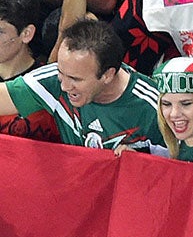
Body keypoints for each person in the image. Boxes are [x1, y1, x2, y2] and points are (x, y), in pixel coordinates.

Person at [0, 15, 162, 149]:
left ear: (107, 75)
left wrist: (140, 164)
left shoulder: (155, 108)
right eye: (61, 72)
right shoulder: (53, 82)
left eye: (75, 79)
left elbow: (179, 171)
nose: (64, 86)